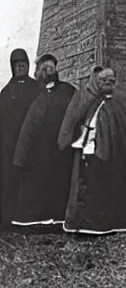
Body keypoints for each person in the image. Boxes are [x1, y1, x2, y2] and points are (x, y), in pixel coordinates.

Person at [58, 66, 126, 235]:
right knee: (86, 188)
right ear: (97, 81)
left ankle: (105, 224)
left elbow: (125, 130)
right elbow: (74, 120)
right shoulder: (87, 99)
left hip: (112, 154)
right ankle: (84, 224)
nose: (107, 84)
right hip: (87, 148)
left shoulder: (119, 103)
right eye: (103, 80)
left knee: (105, 187)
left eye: (111, 81)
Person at [11, 54, 76, 228]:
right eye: (44, 68)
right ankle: (34, 220)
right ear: (38, 70)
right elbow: (25, 125)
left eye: (51, 68)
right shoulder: (32, 91)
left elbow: (76, 113)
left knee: (60, 181)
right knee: (36, 183)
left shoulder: (67, 90)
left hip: (61, 148)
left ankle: (58, 219)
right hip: (37, 149)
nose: (48, 71)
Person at [0, 49, 40, 229]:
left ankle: (29, 219)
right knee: (10, 179)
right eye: (17, 64)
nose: (21, 66)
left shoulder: (37, 87)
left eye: (23, 62)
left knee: (32, 179)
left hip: (33, 142)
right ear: (13, 67)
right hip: (10, 143)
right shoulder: (6, 92)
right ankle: (9, 219)